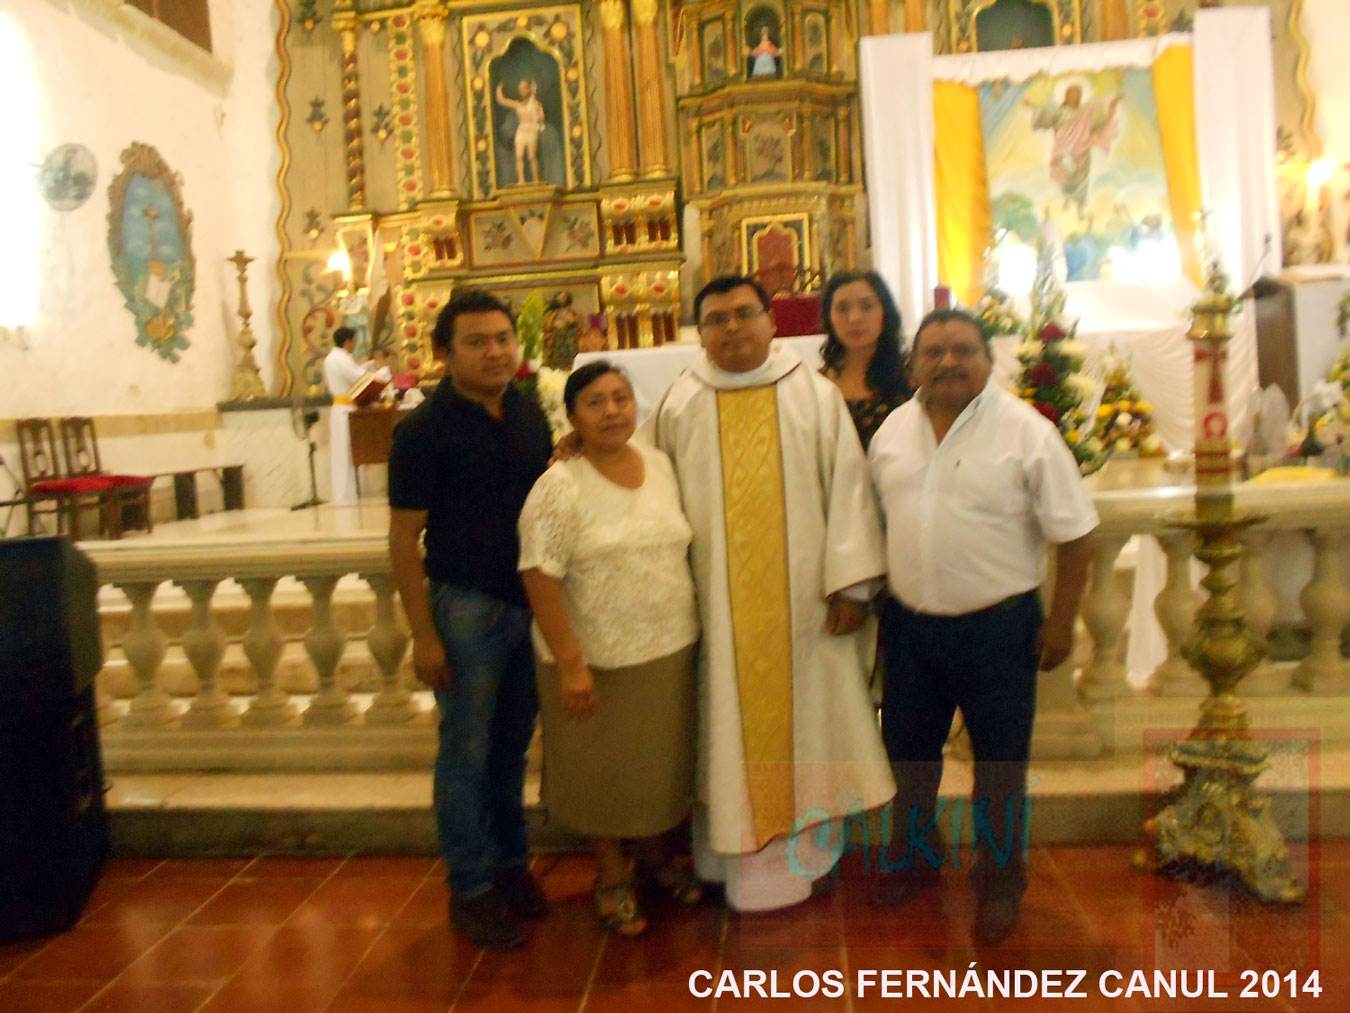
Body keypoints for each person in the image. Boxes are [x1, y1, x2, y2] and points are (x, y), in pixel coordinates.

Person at [642, 275, 895, 912]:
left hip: (806, 608)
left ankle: (806, 857)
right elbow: (642, 482)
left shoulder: (812, 394)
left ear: (771, 321)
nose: (732, 328)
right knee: (723, 725)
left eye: (744, 314)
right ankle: (724, 857)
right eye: (716, 319)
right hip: (714, 609)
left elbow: (849, 492)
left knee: (811, 723)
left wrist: (851, 588)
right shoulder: (680, 402)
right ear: (701, 333)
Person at [868, 308, 1097, 945]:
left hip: (999, 629)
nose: (949, 362)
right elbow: (877, 521)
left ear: (989, 360)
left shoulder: (1027, 433)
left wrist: (1062, 623)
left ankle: (999, 884)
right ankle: (916, 858)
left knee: (999, 767)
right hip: (912, 628)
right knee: (909, 759)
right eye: (934, 352)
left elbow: (1077, 534)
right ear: (913, 363)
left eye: (963, 350)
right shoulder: (892, 431)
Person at [387, 289, 554, 950]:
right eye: (477, 342)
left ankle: (510, 864)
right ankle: (471, 886)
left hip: (528, 601)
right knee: (465, 752)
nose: (495, 352)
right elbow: (404, 539)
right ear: (445, 353)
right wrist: (423, 634)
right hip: (466, 607)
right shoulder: (423, 430)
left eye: (503, 339)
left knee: (512, 747)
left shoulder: (527, 410)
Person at [518, 362, 701, 937]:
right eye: (595, 402)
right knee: (602, 773)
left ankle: (654, 861)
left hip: (669, 648)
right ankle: (611, 875)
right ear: (572, 416)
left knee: (658, 769)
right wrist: (572, 664)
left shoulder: (662, 466)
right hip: (594, 658)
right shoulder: (559, 485)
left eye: (621, 398)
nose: (612, 411)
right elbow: (538, 573)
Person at [818, 270, 912, 451]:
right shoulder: (817, 383)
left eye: (867, 306)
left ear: (885, 312)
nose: (854, 318)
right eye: (842, 309)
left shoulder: (911, 375)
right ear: (829, 317)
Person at [1026, 82, 1122, 216]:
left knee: (1082, 180)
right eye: (1072, 94)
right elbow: (1045, 118)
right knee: (1067, 172)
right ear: (1066, 96)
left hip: (1082, 152)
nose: (1074, 97)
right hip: (1064, 149)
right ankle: (1065, 199)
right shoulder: (1059, 112)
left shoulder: (1086, 113)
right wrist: (1033, 108)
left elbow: (1099, 122)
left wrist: (1111, 106)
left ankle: (1079, 206)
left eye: (1077, 95)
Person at [323, 326, 388, 502]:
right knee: (347, 455)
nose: (355, 345)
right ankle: (346, 496)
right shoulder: (339, 359)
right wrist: (383, 372)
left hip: (345, 410)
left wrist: (370, 365)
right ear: (348, 342)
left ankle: (350, 494)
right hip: (345, 412)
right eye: (354, 342)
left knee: (349, 453)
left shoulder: (337, 357)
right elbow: (360, 379)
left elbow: (354, 371)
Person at [495, 78, 545, 184]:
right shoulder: (518, 104)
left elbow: (541, 116)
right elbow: (502, 100)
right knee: (519, 156)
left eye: (524, 88)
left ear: (528, 89)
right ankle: (521, 179)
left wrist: (540, 118)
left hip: (531, 131)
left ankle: (536, 179)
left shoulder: (535, 103)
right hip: (521, 131)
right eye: (520, 89)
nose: (522, 91)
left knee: (532, 156)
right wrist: (499, 90)